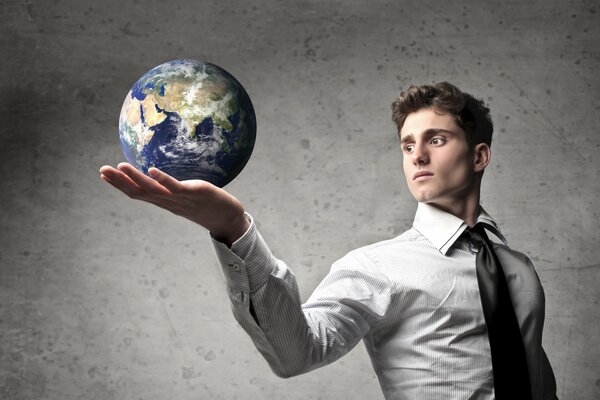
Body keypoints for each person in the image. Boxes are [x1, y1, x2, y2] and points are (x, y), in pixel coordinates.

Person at [99, 82, 557, 399]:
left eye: (436, 139)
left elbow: (533, 376)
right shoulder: (381, 268)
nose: (417, 154)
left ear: (479, 155)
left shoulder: (517, 268)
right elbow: (295, 353)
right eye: (407, 143)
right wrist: (234, 229)